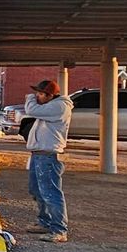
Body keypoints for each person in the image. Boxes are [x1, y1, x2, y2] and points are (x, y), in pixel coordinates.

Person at [23, 79, 73, 243]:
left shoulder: (59, 106)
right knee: (37, 190)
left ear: (50, 95)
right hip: (39, 154)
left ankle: (59, 229)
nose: (37, 96)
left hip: (49, 155)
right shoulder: (49, 107)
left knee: (51, 193)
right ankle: (45, 222)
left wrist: (29, 98)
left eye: (40, 93)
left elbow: (31, 109)